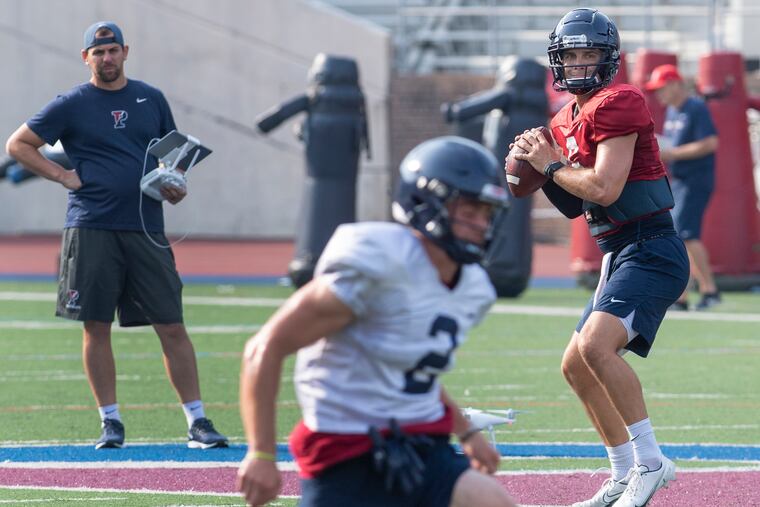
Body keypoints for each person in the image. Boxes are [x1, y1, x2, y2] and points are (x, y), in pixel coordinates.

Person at [236, 136, 516, 507]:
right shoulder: (379, 264)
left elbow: (414, 369)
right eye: (469, 210)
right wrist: (261, 453)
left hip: (423, 444)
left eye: (487, 213)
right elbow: (264, 348)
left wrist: (465, 433)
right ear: (427, 202)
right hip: (346, 452)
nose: (481, 224)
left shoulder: (473, 287)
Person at [5, 21, 227, 450]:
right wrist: (62, 175)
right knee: (96, 325)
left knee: (172, 325)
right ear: (85, 57)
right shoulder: (72, 103)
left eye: (113, 51)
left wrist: (175, 187)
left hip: (146, 228)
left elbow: (173, 161)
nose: (106, 59)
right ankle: (111, 423)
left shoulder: (152, 99)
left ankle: (197, 422)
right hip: (91, 226)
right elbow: (18, 144)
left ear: (126, 51)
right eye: (97, 52)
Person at [511, 8, 688, 507]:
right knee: (576, 365)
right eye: (572, 55)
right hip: (618, 252)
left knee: (595, 348)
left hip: (651, 246)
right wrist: (538, 169)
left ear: (609, 60)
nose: (581, 64)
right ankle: (622, 471)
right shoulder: (563, 119)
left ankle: (652, 462)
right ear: (557, 61)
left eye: (590, 54)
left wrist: (550, 163)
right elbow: (575, 202)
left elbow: (606, 189)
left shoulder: (619, 101)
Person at [645, 64, 720, 311]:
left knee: (686, 235)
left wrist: (672, 153)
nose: (660, 94)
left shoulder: (695, 108)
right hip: (680, 181)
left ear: (677, 84)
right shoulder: (673, 112)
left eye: (663, 88)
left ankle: (707, 290)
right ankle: (686, 294)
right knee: (681, 236)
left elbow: (710, 142)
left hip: (695, 180)